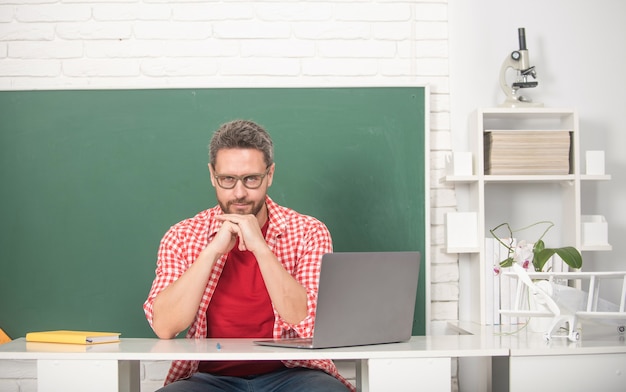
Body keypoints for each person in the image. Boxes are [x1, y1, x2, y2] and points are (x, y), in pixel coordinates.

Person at [144, 120, 353, 392]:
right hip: (208, 379)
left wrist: (261, 248)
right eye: (228, 180)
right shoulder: (182, 235)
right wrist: (212, 251)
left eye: (251, 179)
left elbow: (308, 321)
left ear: (270, 175)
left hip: (294, 373)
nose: (240, 193)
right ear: (212, 175)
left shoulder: (309, 232)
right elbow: (165, 327)